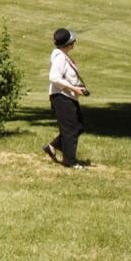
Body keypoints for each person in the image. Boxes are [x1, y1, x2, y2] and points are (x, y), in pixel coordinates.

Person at [44, 27, 88, 169]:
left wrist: (77, 87)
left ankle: (53, 146)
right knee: (70, 130)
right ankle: (70, 161)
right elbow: (54, 77)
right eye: (72, 40)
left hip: (66, 97)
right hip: (62, 97)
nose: (74, 42)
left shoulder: (62, 55)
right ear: (68, 44)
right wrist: (74, 89)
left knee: (78, 126)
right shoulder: (60, 57)